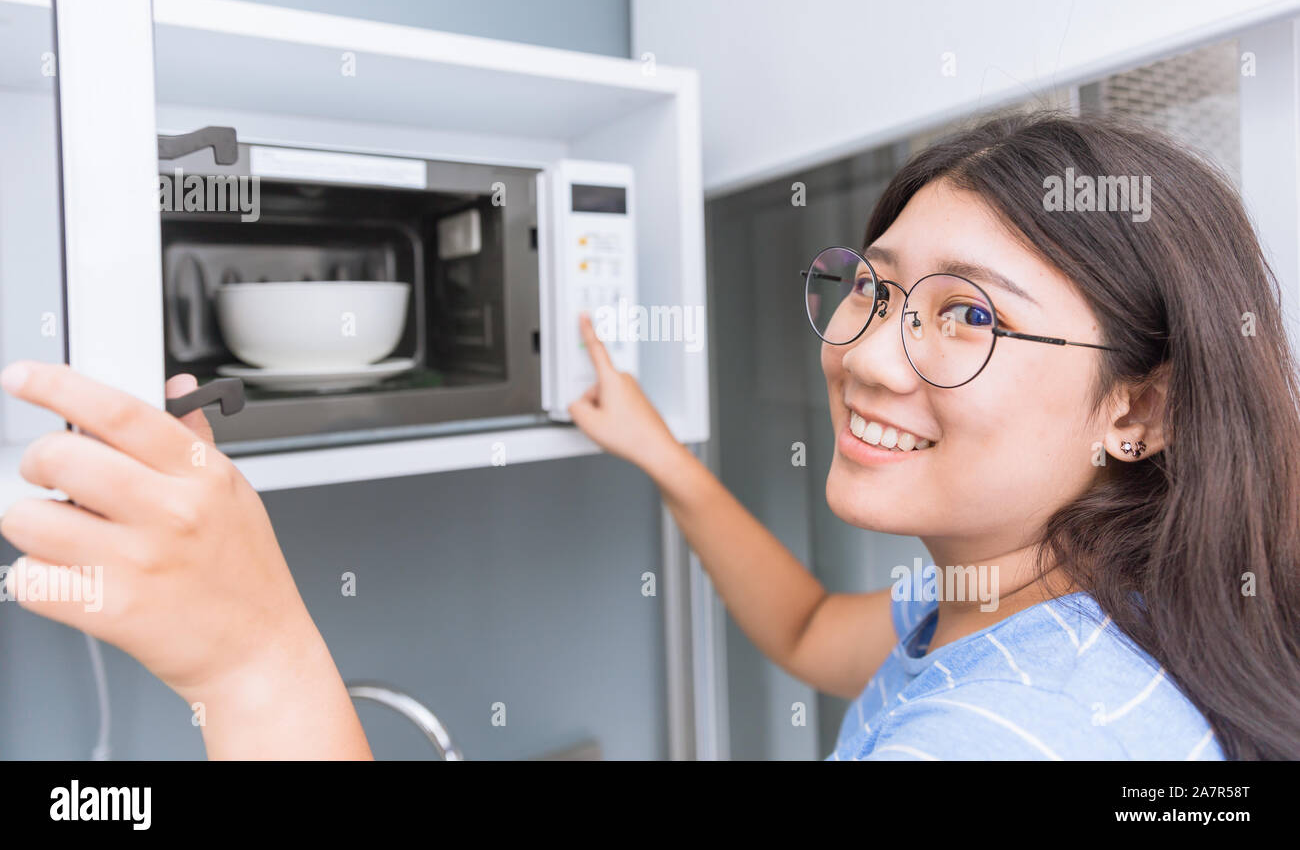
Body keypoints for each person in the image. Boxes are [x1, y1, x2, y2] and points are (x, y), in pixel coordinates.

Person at [3, 110, 1298, 759]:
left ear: (1139, 407)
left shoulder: (996, 741)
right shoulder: (1056, 600)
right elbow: (802, 630)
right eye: (875, 286)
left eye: (966, 317)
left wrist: (249, 660)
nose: (862, 348)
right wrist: (664, 455)